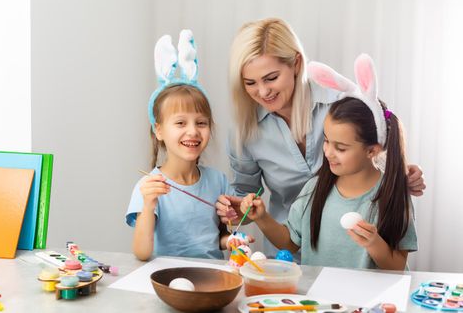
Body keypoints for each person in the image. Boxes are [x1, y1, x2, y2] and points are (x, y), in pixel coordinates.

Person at [216, 18, 425, 257]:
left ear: (296, 64)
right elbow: (246, 192)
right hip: (287, 249)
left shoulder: (339, 104)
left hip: (354, 251)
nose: (263, 92)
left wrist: (401, 171)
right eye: (250, 83)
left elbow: (374, 153)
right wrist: (237, 210)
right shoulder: (245, 130)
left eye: (271, 78)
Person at [239, 54, 417, 269]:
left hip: (370, 301)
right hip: (321, 300)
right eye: (326, 141)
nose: (328, 152)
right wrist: (263, 218)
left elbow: (397, 266)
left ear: (372, 150)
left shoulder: (393, 195)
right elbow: (290, 242)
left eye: (340, 148)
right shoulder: (316, 188)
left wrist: (374, 243)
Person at [126, 30, 252, 261]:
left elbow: (218, 240)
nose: (193, 131)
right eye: (181, 122)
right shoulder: (149, 186)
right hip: (167, 281)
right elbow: (142, 253)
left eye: (201, 123)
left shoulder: (218, 181)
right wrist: (148, 204)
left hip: (213, 280)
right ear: (159, 130)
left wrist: (233, 240)